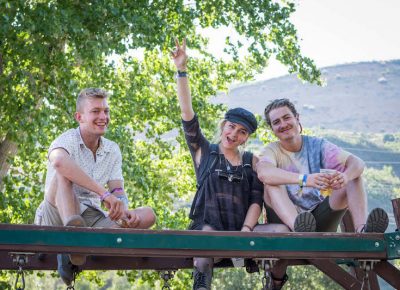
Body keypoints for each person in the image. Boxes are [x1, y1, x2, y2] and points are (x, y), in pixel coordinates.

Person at [171, 38, 285, 290]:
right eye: (231, 127)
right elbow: (187, 113)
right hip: (208, 233)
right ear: (224, 126)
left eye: (242, 132)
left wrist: (245, 230)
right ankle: (201, 284)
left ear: (246, 138)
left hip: (242, 232)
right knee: (204, 242)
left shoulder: (250, 162)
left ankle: (275, 281)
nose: (234, 134)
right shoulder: (205, 152)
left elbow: (256, 199)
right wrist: (181, 69)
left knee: (283, 230)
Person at [256, 98, 389, 289]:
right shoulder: (271, 150)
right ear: (272, 129)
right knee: (270, 183)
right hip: (287, 223)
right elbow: (263, 172)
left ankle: (363, 232)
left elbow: (358, 163)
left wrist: (345, 176)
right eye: (276, 122)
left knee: (354, 176)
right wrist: (305, 179)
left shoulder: (317, 145)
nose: (283, 124)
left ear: (297, 118)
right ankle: (299, 228)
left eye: (287, 118)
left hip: (318, 220)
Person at [34, 88, 156, 286]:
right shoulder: (67, 140)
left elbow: (117, 190)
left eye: (106, 111)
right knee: (63, 173)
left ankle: (75, 246)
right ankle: (71, 240)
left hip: (93, 219)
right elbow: (58, 162)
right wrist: (103, 193)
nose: (103, 117)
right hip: (57, 213)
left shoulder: (112, 149)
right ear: (79, 117)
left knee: (149, 214)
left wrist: (123, 209)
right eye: (96, 111)